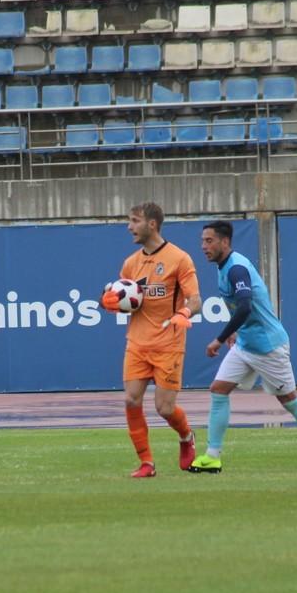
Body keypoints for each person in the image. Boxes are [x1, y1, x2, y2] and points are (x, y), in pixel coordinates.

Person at [191, 220, 297, 474]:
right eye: (203, 241)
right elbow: (242, 307)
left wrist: (219, 337)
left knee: (289, 400)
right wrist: (235, 332)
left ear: (225, 242)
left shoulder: (236, 269)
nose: (204, 246)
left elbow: (246, 306)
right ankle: (212, 456)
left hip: (269, 347)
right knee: (218, 389)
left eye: (209, 241)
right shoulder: (223, 266)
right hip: (246, 344)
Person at [100, 202, 202, 478]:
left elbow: (196, 300)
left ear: (152, 224)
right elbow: (121, 297)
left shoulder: (179, 259)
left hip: (169, 343)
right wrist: (108, 301)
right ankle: (147, 463)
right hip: (137, 343)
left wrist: (183, 312)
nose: (129, 226)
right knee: (131, 401)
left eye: (134, 221)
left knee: (164, 408)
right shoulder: (131, 263)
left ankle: (186, 436)